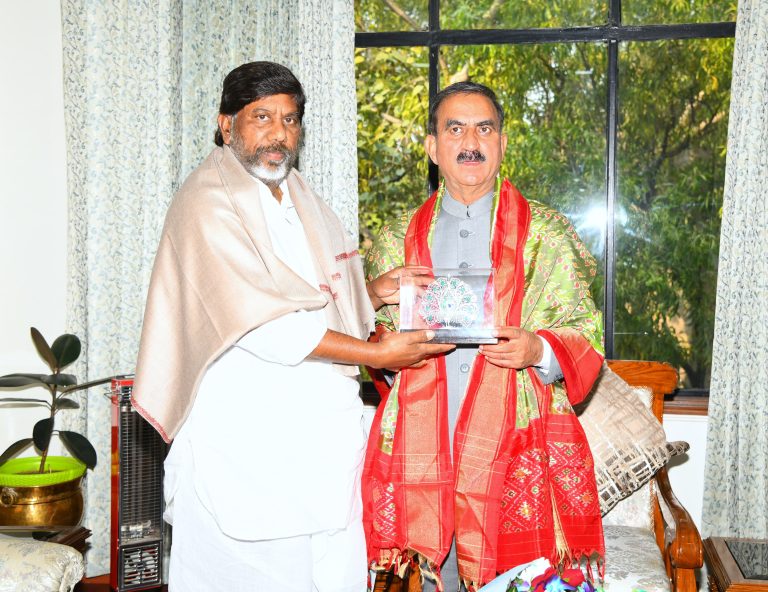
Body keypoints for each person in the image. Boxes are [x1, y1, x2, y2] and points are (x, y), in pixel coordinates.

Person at [132, 61, 452, 592]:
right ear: (226, 125)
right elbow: (264, 324)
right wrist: (377, 356)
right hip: (247, 453)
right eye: (262, 117)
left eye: (290, 119)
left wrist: (374, 291)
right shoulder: (207, 203)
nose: (279, 134)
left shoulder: (300, 196)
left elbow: (313, 297)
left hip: (320, 450)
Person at [362, 81, 606, 592]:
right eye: (455, 129)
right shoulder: (396, 238)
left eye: (484, 129)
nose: (470, 142)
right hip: (425, 444)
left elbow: (585, 333)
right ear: (433, 147)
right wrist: (383, 329)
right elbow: (367, 343)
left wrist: (538, 348)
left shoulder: (546, 234)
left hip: (517, 442)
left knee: (521, 578)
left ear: (502, 142)